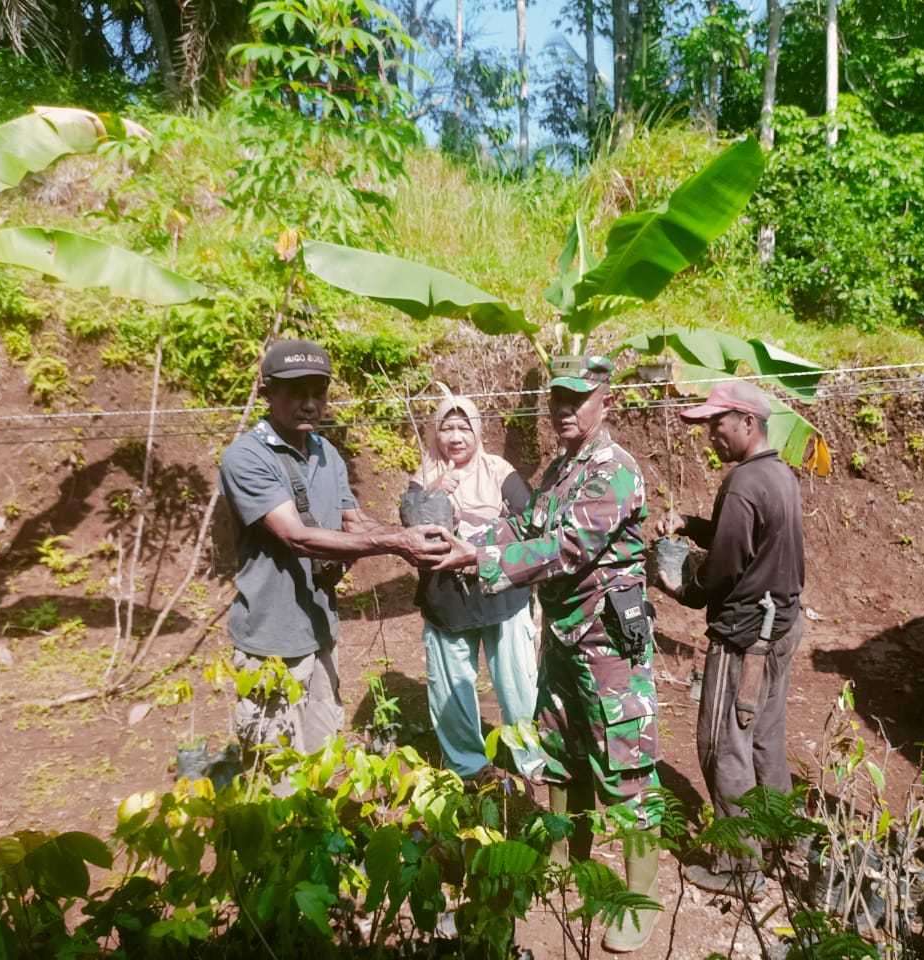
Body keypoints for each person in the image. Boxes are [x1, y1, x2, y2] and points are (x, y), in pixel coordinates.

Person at [434, 355, 662, 953]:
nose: (563, 408)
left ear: (604, 403)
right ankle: (563, 855)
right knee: (561, 750)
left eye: (577, 399)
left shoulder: (615, 471)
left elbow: (565, 546)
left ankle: (641, 902)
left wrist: (479, 562)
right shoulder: (562, 468)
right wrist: (473, 541)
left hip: (609, 647)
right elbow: (526, 524)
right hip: (563, 638)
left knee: (626, 767)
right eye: (557, 398)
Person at [218, 338, 448, 759]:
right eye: (295, 392)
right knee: (274, 766)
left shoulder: (327, 453)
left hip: (319, 629)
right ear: (267, 394)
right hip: (271, 638)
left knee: (323, 752)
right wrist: (396, 542)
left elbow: (354, 521)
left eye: (317, 392)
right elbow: (295, 536)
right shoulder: (247, 458)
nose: (309, 404)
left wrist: (417, 535)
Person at [654, 379, 805, 899]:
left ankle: (739, 865)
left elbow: (722, 572)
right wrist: (692, 524)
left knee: (723, 744)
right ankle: (786, 843)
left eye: (717, 426)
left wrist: (679, 586)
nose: (710, 436)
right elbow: (749, 538)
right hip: (780, 624)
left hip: (743, 637)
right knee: (765, 738)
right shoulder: (779, 474)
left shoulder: (742, 483)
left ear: (747, 422)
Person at [406, 395, 544, 787]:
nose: (455, 436)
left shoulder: (498, 470)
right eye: (446, 428)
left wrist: (484, 536)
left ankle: (531, 758)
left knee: (518, 682)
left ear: (478, 430)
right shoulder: (425, 474)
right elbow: (410, 525)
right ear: (436, 433)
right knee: (451, 686)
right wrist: (435, 489)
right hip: (448, 598)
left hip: (500, 591)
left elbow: (530, 518)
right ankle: (467, 764)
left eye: (463, 427)